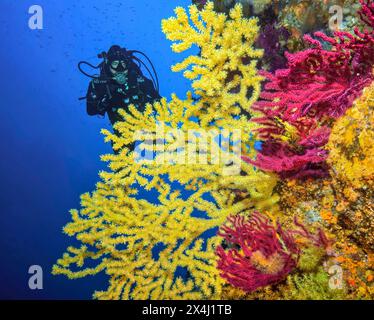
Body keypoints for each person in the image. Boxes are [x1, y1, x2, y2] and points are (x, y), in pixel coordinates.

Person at [81, 45, 161, 126]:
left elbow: (160, 103)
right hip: (121, 126)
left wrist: (149, 100)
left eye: (123, 64)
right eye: (115, 64)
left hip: (145, 120)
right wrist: (105, 101)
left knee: (156, 132)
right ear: (108, 65)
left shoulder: (139, 80)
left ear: (128, 64)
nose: (120, 68)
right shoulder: (100, 84)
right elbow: (91, 111)